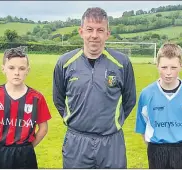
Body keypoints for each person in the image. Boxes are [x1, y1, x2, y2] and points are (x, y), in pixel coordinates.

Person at [53, 7, 136, 169]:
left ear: (107, 33)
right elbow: (58, 99)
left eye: (100, 30)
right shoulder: (64, 63)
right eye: (89, 29)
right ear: (81, 31)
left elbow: (129, 100)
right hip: (77, 141)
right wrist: (75, 120)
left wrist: (110, 124)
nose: (94, 35)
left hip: (111, 142)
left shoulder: (122, 63)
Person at [0, 46, 52, 169]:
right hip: (0, 151)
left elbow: (43, 128)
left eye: (21, 68)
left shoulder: (36, 98)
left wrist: (28, 147)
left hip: (26, 153)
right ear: (3, 69)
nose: (16, 73)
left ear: (27, 70)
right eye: (11, 68)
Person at [135, 43, 182, 169]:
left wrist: (179, 140)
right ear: (157, 66)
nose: (168, 73)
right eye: (164, 67)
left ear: (181, 66)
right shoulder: (146, 93)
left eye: (173, 67)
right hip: (156, 149)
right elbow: (143, 127)